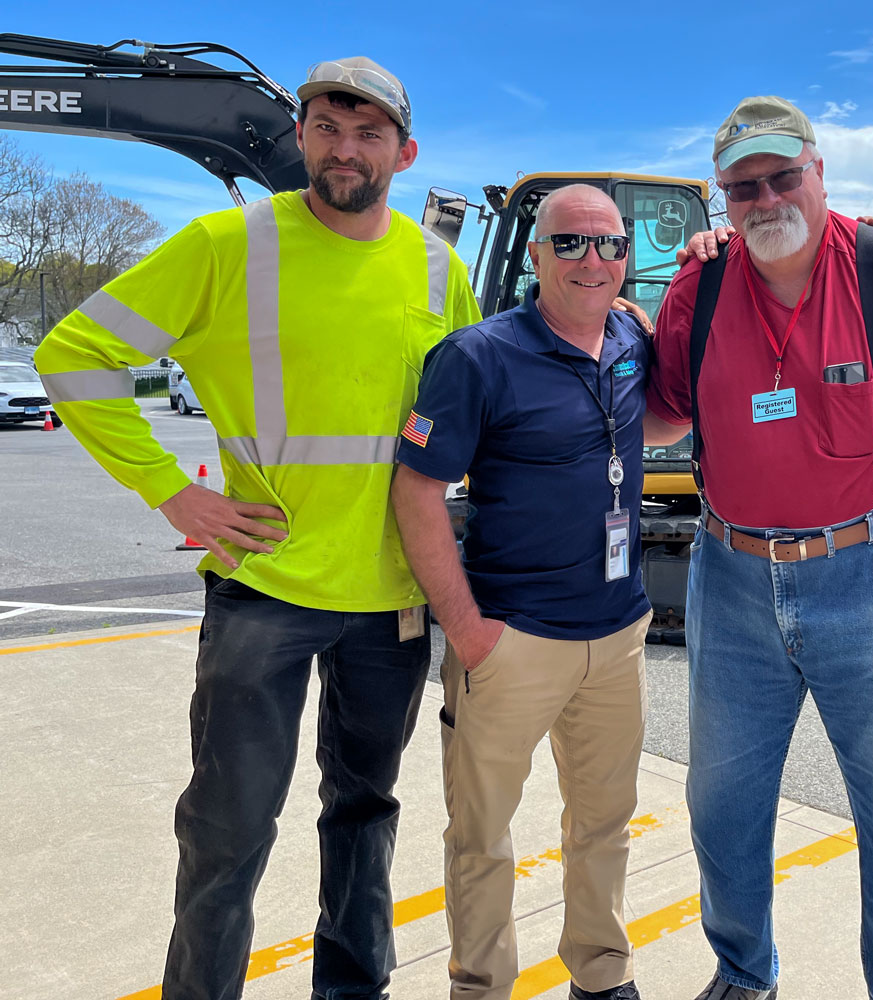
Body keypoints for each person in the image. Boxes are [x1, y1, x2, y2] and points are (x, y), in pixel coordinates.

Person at [35, 58, 481, 1000]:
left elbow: (477, 409)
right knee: (227, 831)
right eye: (326, 126)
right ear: (302, 137)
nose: (344, 148)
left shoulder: (440, 269)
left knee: (364, 817)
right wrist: (172, 491)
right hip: (264, 593)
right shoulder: (227, 243)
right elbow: (72, 355)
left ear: (404, 152)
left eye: (367, 133)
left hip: (389, 600)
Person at [646, 96, 873, 1000]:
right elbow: (662, 410)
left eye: (781, 176)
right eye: (742, 187)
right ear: (722, 198)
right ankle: (742, 973)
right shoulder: (702, 284)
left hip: (871, 575)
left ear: (819, 171)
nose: (765, 199)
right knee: (721, 808)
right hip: (729, 575)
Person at [391, 184, 663, 1000]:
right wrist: (468, 629)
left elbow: (666, 420)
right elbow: (416, 493)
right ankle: (480, 986)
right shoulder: (476, 357)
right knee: (482, 837)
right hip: (512, 644)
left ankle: (601, 977)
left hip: (617, 638)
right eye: (571, 244)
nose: (592, 261)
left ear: (627, 261)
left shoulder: (630, 340)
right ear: (536, 254)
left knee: (605, 824)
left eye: (610, 246)